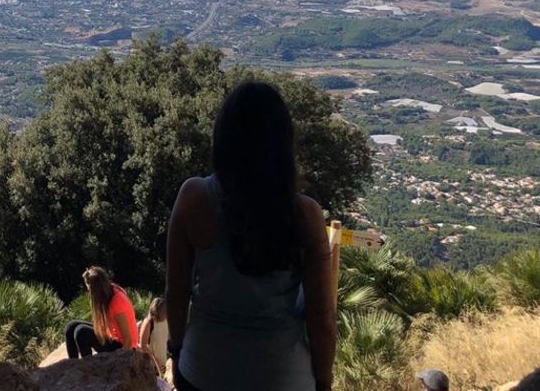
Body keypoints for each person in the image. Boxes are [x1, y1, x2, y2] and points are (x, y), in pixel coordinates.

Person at [164, 80, 336, 391]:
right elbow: (321, 318)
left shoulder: (193, 198)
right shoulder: (305, 216)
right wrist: (323, 381)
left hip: (204, 370)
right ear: (283, 145)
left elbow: (176, 292)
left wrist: (175, 352)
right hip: (283, 377)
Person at [64, 266, 140, 359]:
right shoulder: (110, 289)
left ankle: (88, 368)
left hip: (122, 347)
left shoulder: (117, 302)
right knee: (71, 326)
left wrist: (119, 362)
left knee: (81, 332)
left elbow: (128, 340)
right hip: (112, 337)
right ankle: (73, 364)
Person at [139, 296, 171, 375]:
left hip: (163, 363)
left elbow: (167, 338)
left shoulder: (167, 319)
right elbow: (143, 345)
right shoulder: (148, 322)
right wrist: (156, 362)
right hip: (150, 364)